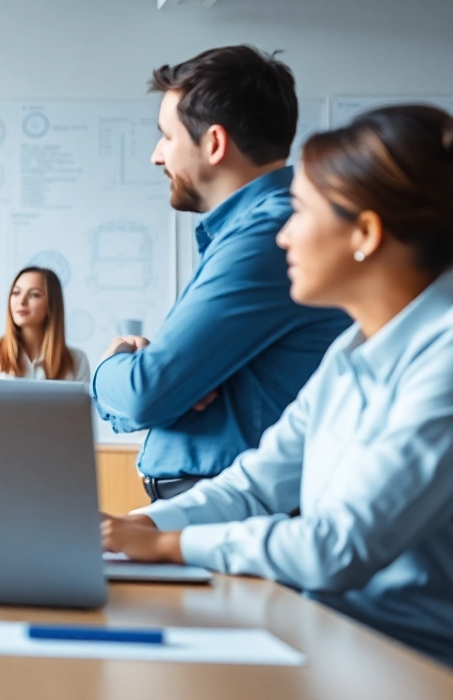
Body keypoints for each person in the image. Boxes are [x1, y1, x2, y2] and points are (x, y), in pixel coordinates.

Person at [102, 97, 453, 679]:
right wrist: (136, 529)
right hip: (334, 640)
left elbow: (338, 547)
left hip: (420, 668)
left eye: (299, 213)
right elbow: (256, 484)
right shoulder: (352, 349)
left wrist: (172, 547)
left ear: (366, 233)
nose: (283, 237)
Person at [91, 45, 351, 501]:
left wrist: (112, 365)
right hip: (215, 499)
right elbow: (160, 390)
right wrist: (166, 383)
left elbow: (144, 393)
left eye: (166, 137)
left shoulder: (266, 237)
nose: (157, 156)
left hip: (232, 504)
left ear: (214, 143)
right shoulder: (248, 231)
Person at [0, 266, 88, 390]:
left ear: (51, 305)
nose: (21, 301)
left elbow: (83, 408)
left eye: (34, 295)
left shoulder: (78, 361)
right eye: (16, 293)